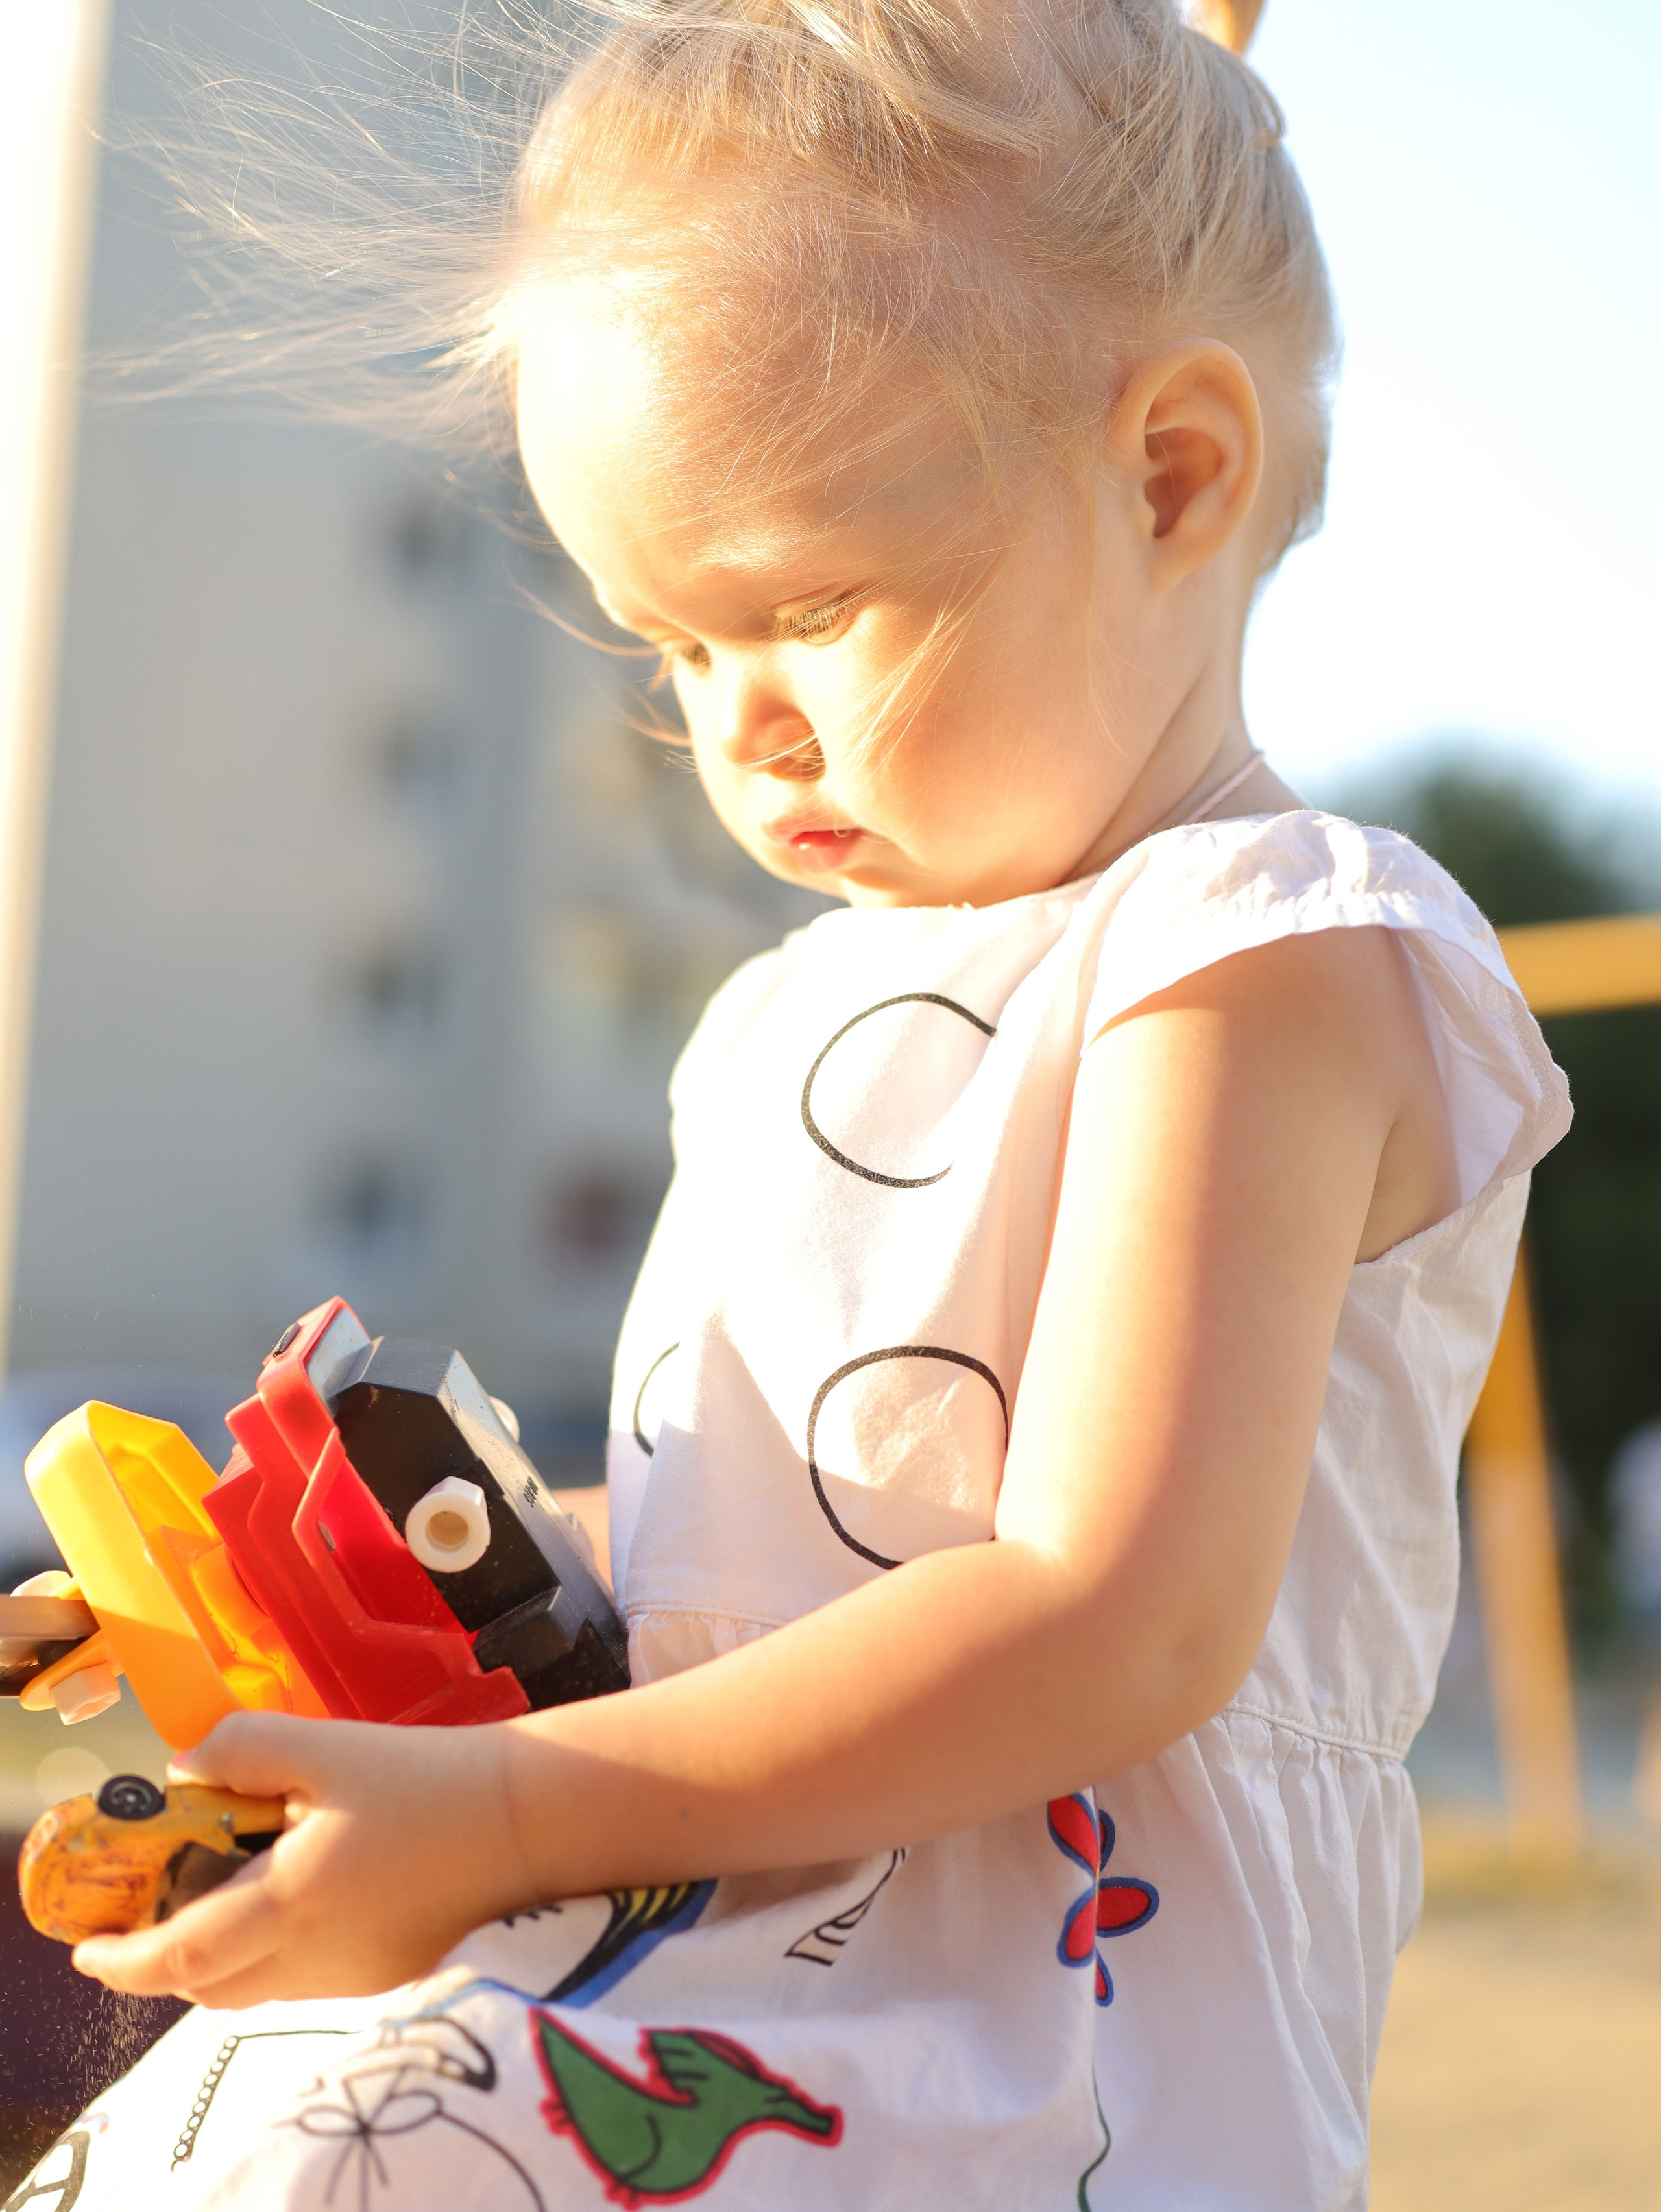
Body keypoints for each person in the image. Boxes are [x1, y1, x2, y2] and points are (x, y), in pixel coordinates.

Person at [29, 2, 1570, 2206]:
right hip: (713, 1916)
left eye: (809, 606)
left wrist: (526, 1815)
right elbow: (734, 1554)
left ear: (1173, 475)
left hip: (1026, 2013)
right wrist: (331, 1563)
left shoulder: (1261, 952)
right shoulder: (780, 1015)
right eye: (671, 646)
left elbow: (1111, 1610)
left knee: (340, 2151)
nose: (734, 729)